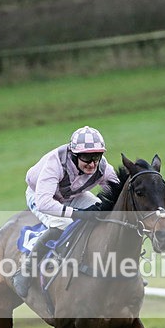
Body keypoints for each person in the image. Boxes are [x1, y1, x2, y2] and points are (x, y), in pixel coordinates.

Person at [13, 125, 119, 298]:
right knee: (61, 224)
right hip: (41, 196)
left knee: (103, 214)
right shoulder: (55, 163)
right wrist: (77, 213)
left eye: (97, 156)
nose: (92, 163)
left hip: (73, 194)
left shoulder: (103, 168)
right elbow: (44, 202)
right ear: (74, 154)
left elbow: (116, 191)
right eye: (86, 157)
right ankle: (25, 270)